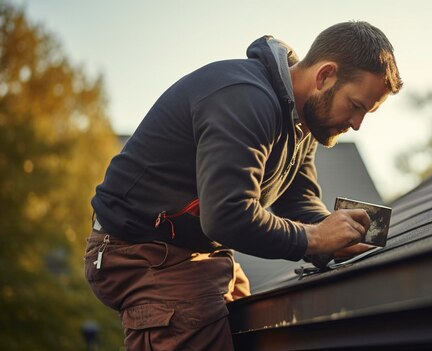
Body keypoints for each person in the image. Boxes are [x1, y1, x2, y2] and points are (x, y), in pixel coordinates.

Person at [84, 20, 402, 350]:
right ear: (325, 76)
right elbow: (227, 217)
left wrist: (334, 235)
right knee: (198, 315)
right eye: (356, 106)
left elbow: (297, 202)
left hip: (198, 252)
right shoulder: (245, 99)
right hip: (138, 251)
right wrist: (316, 238)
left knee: (251, 324)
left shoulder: (302, 122)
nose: (357, 124)